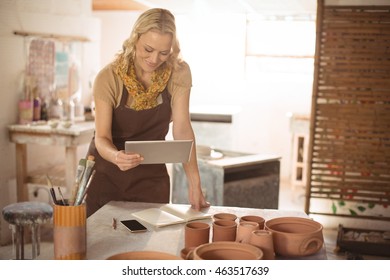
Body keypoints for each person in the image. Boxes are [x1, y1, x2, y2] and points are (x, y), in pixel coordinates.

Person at [85, 8, 210, 217]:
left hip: (151, 179)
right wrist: (116, 156)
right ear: (135, 39)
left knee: (150, 244)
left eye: (163, 52)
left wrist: (195, 183)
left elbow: (182, 129)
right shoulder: (109, 77)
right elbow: (102, 137)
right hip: (107, 175)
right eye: (148, 49)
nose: (154, 59)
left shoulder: (178, 72)